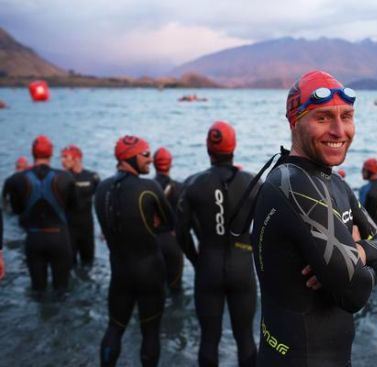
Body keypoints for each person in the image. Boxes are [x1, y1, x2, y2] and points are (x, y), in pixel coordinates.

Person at [251, 70, 377, 366]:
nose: (340, 131)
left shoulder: (335, 183)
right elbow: (355, 293)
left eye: (347, 116)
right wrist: (356, 260)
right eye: (323, 118)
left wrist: (355, 253)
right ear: (294, 121)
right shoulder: (293, 184)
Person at [176, 121, 258, 367]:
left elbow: (180, 232)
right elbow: (269, 226)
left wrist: (195, 259)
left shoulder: (192, 183)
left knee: (208, 339)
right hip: (242, 266)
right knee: (245, 338)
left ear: (207, 148)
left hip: (208, 267)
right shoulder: (253, 182)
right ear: (234, 147)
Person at [95, 135, 174, 367]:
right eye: (146, 154)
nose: (150, 160)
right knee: (150, 333)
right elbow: (170, 223)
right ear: (131, 156)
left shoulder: (101, 188)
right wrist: (153, 221)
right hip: (149, 271)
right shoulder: (148, 187)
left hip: (119, 272)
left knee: (114, 328)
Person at [4, 135, 76, 292]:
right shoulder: (67, 177)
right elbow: (72, 210)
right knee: (61, 290)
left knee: (37, 290)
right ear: (51, 153)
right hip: (59, 237)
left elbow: (17, 211)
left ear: (32, 153)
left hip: (34, 238)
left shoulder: (16, 179)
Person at [61, 144, 100, 266]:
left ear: (77, 158)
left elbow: (102, 201)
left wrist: (105, 227)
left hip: (87, 229)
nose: (62, 161)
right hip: (68, 230)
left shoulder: (92, 177)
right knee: (69, 265)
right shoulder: (61, 178)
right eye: (61, 157)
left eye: (65, 157)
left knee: (89, 263)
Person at [152, 147, 184, 292]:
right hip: (173, 241)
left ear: (153, 164)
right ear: (170, 164)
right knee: (175, 288)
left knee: (154, 288)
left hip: (152, 241)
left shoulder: (146, 187)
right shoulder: (180, 187)